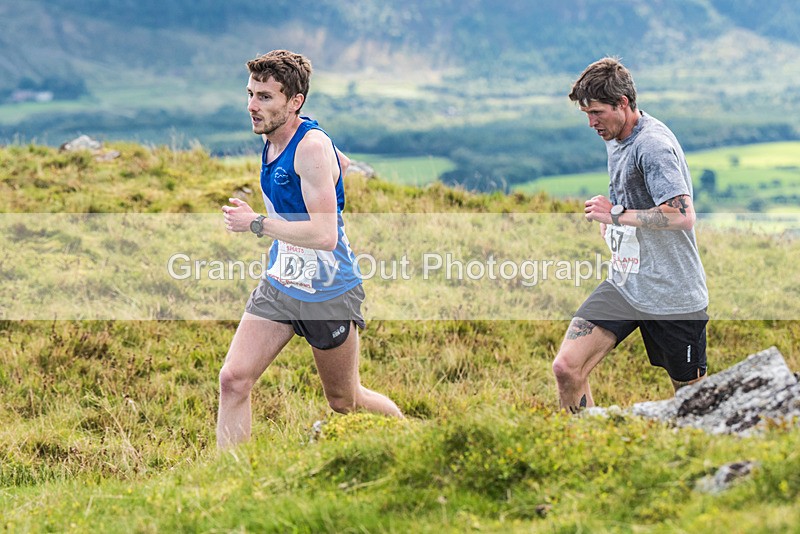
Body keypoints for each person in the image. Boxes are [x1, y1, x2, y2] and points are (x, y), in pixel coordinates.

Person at [217, 50, 402, 448]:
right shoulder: (274, 137)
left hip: (328, 291)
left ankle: (409, 439)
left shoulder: (311, 146)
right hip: (281, 283)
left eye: (265, 97)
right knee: (233, 379)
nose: (252, 106)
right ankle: (230, 478)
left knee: (345, 400)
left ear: (294, 102)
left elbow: (324, 236)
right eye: (250, 94)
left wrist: (256, 223)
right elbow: (344, 163)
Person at [552, 57, 709, 413]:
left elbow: (683, 215)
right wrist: (614, 224)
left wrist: (616, 214)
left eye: (597, 113)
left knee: (694, 405)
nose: (591, 123)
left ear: (622, 103)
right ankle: (582, 441)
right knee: (567, 368)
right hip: (625, 283)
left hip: (672, 295)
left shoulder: (652, 145)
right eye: (586, 114)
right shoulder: (616, 134)